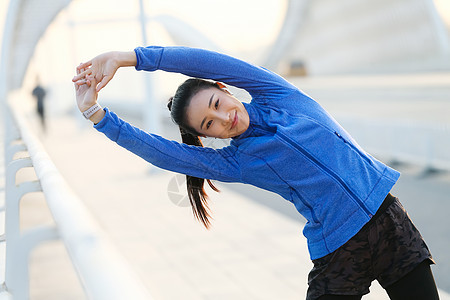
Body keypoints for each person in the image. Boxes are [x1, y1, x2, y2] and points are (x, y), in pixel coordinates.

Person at [72, 46, 440, 300]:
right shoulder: (237, 162)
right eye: (209, 124)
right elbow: (165, 153)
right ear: (206, 136)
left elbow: (210, 60)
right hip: (340, 252)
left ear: (224, 88)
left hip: (391, 225)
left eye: (217, 104)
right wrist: (97, 116)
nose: (223, 119)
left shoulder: (279, 95)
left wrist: (131, 58)